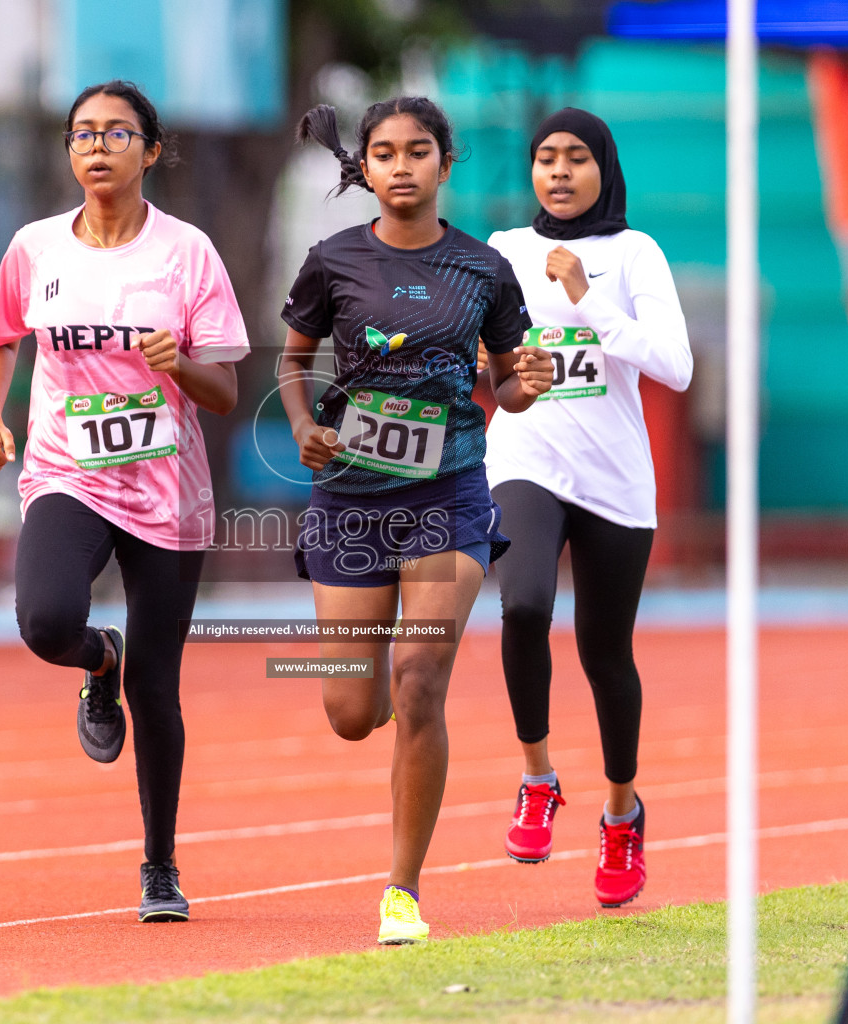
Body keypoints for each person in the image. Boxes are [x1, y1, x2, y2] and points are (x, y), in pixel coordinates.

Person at [0, 80, 249, 924]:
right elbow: (0, 341)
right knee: (46, 620)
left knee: (159, 692)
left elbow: (227, 390)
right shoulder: (35, 249)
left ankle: (159, 864)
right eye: (82, 134)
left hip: (165, 488)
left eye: (117, 133)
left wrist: (180, 364)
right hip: (67, 471)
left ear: (150, 151)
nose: (97, 147)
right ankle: (99, 660)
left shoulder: (187, 254)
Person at [277, 98, 551, 944]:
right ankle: (386, 702)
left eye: (419, 151)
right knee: (351, 713)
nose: (402, 166)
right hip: (352, 501)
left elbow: (506, 382)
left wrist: (523, 388)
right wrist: (305, 430)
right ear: (364, 167)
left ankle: (403, 891)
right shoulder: (332, 261)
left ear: (445, 163)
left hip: (449, 496)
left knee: (421, 680)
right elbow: (292, 362)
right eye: (385, 153)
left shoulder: (482, 268)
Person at [481, 108, 692, 908]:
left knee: (607, 653)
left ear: (604, 167)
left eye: (575, 158)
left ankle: (620, 811)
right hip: (526, 457)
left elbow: (674, 366)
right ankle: (538, 776)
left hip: (614, 479)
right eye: (545, 158)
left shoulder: (634, 254)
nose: (559, 171)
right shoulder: (505, 251)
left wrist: (588, 302)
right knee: (525, 606)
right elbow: (479, 346)